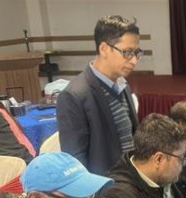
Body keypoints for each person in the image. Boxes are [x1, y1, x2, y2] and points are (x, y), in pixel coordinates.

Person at [57, 15, 141, 174]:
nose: (134, 61)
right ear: (104, 49)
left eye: (137, 52)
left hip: (130, 182)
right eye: (128, 52)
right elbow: (75, 163)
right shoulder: (74, 96)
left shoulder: (122, 84)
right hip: (104, 190)